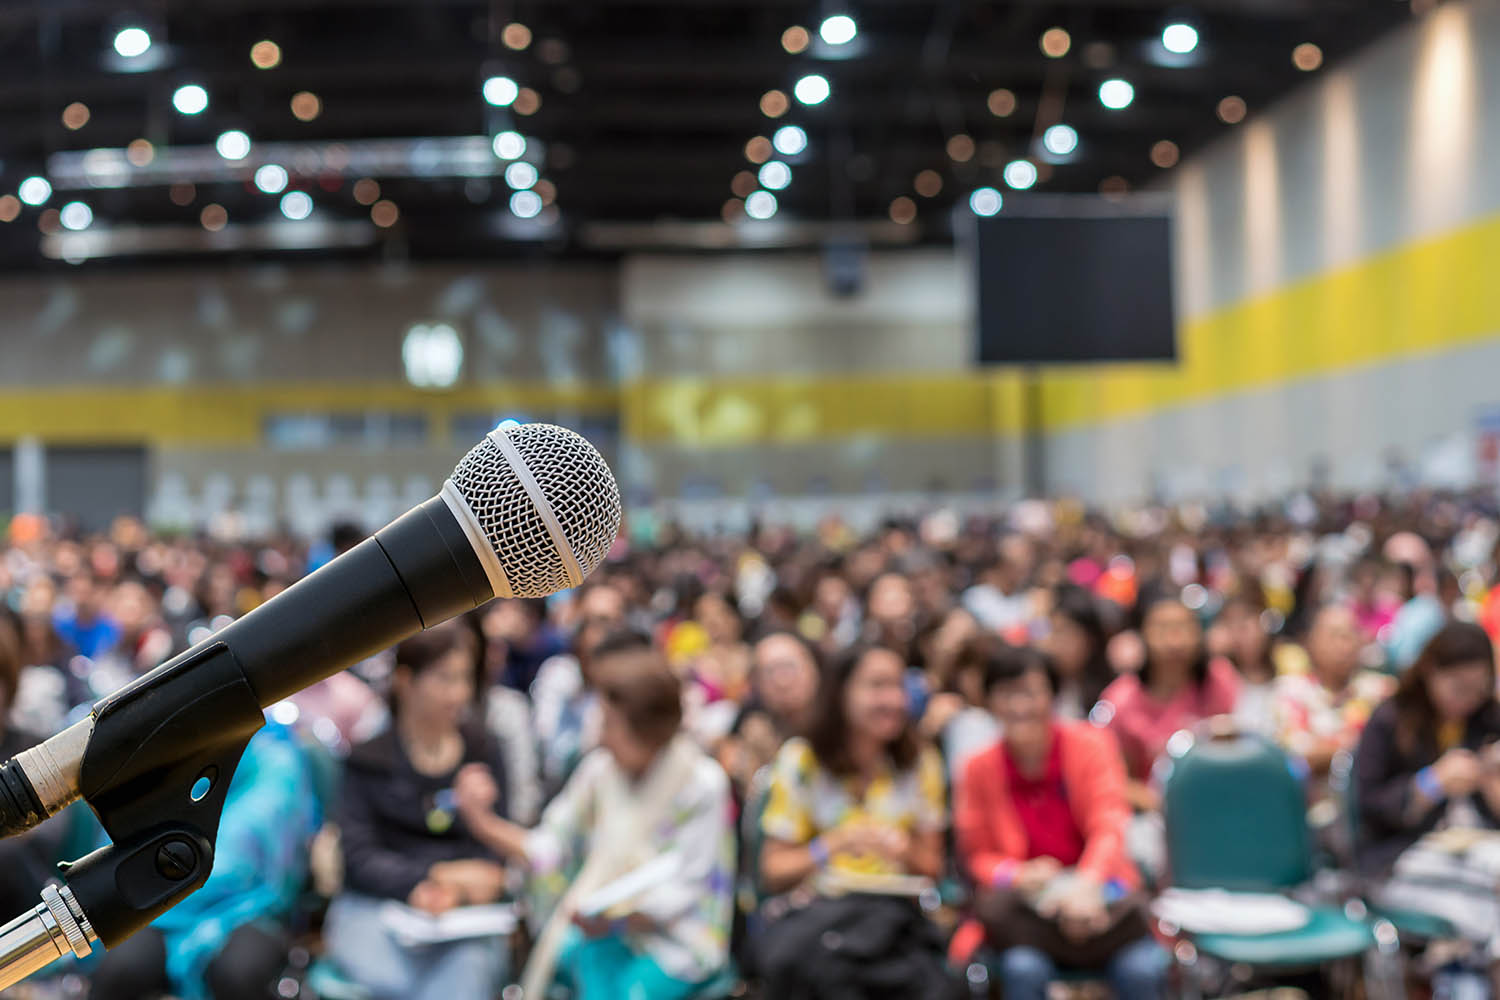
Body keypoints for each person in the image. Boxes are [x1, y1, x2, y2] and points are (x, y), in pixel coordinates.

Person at [456, 631, 736, 1000]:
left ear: (647, 731)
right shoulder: (600, 770)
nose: (601, 735)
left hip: (678, 943)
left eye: (609, 722)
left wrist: (617, 917)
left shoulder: (703, 783)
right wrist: (484, 823)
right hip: (600, 934)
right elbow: (550, 846)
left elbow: (685, 888)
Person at [955, 646, 1166, 1000]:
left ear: (1052, 696)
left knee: (1142, 970)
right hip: (1030, 915)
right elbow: (978, 857)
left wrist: (1087, 884)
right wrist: (1018, 875)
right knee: (1023, 970)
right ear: (990, 701)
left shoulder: (1091, 745)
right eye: (1007, 693)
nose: (1020, 706)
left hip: (1101, 900)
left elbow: (1110, 823)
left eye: (1031, 692)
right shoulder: (977, 768)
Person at [755, 643, 957, 1000]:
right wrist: (831, 846)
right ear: (841, 692)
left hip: (895, 916)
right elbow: (773, 870)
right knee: (820, 969)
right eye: (877, 686)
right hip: (823, 914)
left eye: (898, 686)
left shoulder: (920, 762)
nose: (893, 699)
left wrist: (901, 848)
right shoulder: (801, 760)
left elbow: (932, 867)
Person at [325, 621, 511, 1000]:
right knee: (392, 982)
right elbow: (358, 857)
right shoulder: (367, 758)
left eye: (464, 678)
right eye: (444, 679)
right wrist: (429, 878)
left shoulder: (484, 751)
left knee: (466, 975)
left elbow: (495, 851)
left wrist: (462, 885)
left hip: (463, 917)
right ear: (406, 681)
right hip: (377, 905)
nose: (459, 693)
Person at [89, 723, 320, 1000]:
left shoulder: (277, 765)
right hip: (157, 907)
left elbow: (243, 858)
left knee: (237, 974)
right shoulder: (157, 758)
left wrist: (176, 871)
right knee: (122, 969)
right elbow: (121, 847)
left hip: (245, 907)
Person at [1354, 622, 1500, 995]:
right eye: (1458, 687)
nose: (1467, 699)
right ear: (1431, 671)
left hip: (1472, 850)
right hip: (1400, 858)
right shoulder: (1390, 719)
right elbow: (1366, 806)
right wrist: (1428, 785)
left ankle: (1463, 969)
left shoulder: (1487, 717)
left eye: (1478, 688)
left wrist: (1490, 779)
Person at [1101, 597, 1241, 808]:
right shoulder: (1120, 698)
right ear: (1144, 635)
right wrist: (1160, 804)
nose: (1175, 640)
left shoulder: (1221, 679)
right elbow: (1116, 777)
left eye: (1184, 627)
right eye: (1163, 628)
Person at [1276, 605, 1393, 786]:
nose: (1343, 645)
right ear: (1311, 642)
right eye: (1334, 636)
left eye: (1350, 635)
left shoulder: (1382, 690)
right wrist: (1360, 750)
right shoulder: (1290, 691)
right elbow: (1301, 756)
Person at [531, 582, 626, 794]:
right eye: (591, 622)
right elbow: (550, 753)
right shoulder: (558, 674)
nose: (599, 634)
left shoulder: (631, 682)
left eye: (609, 623)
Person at [1041, 585, 1117, 722]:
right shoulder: (1042, 685)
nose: (1054, 643)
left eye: (1063, 633)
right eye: (1053, 632)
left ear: (1090, 640)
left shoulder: (1113, 692)